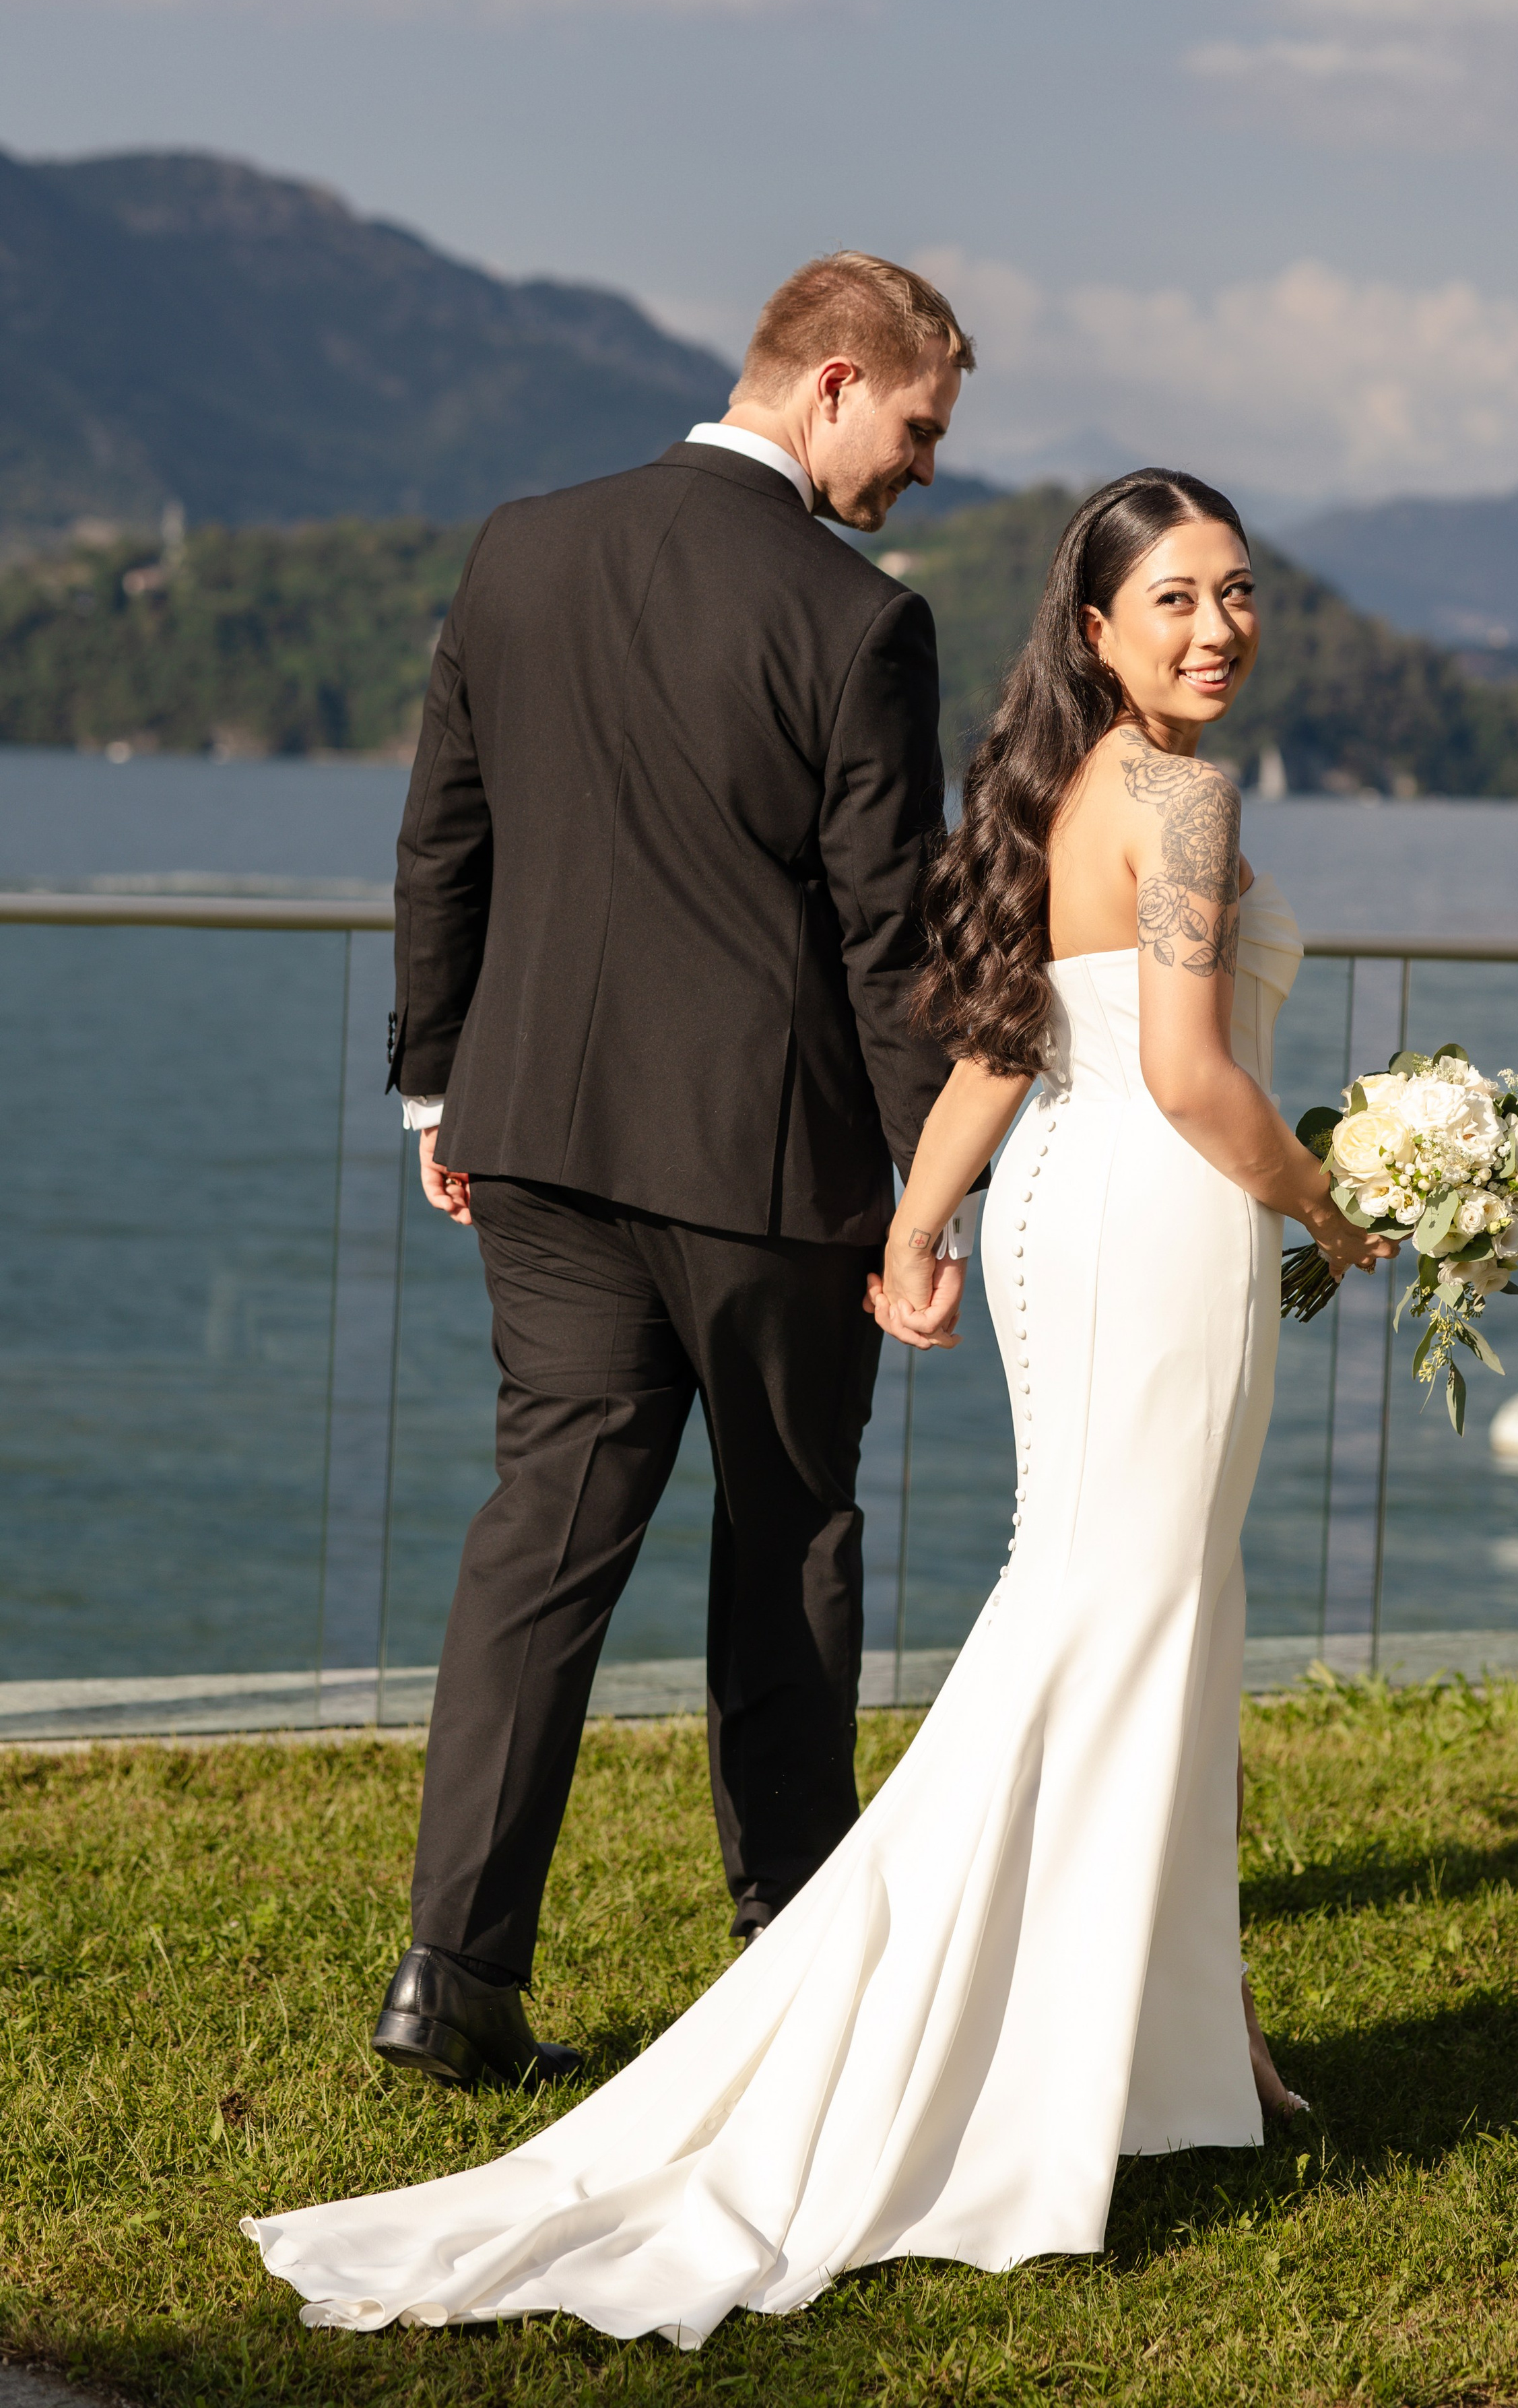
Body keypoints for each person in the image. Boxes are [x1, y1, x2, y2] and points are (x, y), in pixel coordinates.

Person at [246, 469, 1392, 2346]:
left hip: (1061, 1219)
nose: (1217, 628)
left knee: (1132, 1627)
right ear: (1097, 628)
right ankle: (1019, 2059)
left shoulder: (1072, 786)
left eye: (1241, 593)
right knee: (1116, 1632)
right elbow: (1188, 1073)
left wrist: (924, 1223)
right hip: (1163, 1226)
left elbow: (1009, 1044)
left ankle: (1195, 2049)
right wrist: (1339, 1203)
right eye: (1175, 598)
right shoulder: (1179, 796)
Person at [369, 253, 980, 2093]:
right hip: (761, 1169)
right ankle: (791, 1966)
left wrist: (434, 1095)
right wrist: (929, 1187)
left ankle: (451, 1971)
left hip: (534, 1138)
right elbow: (891, 943)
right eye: (923, 430)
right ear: (837, 383)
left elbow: (441, 841)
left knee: (540, 1549)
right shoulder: (859, 619)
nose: (924, 471)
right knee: (790, 1539)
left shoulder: (519, 546)